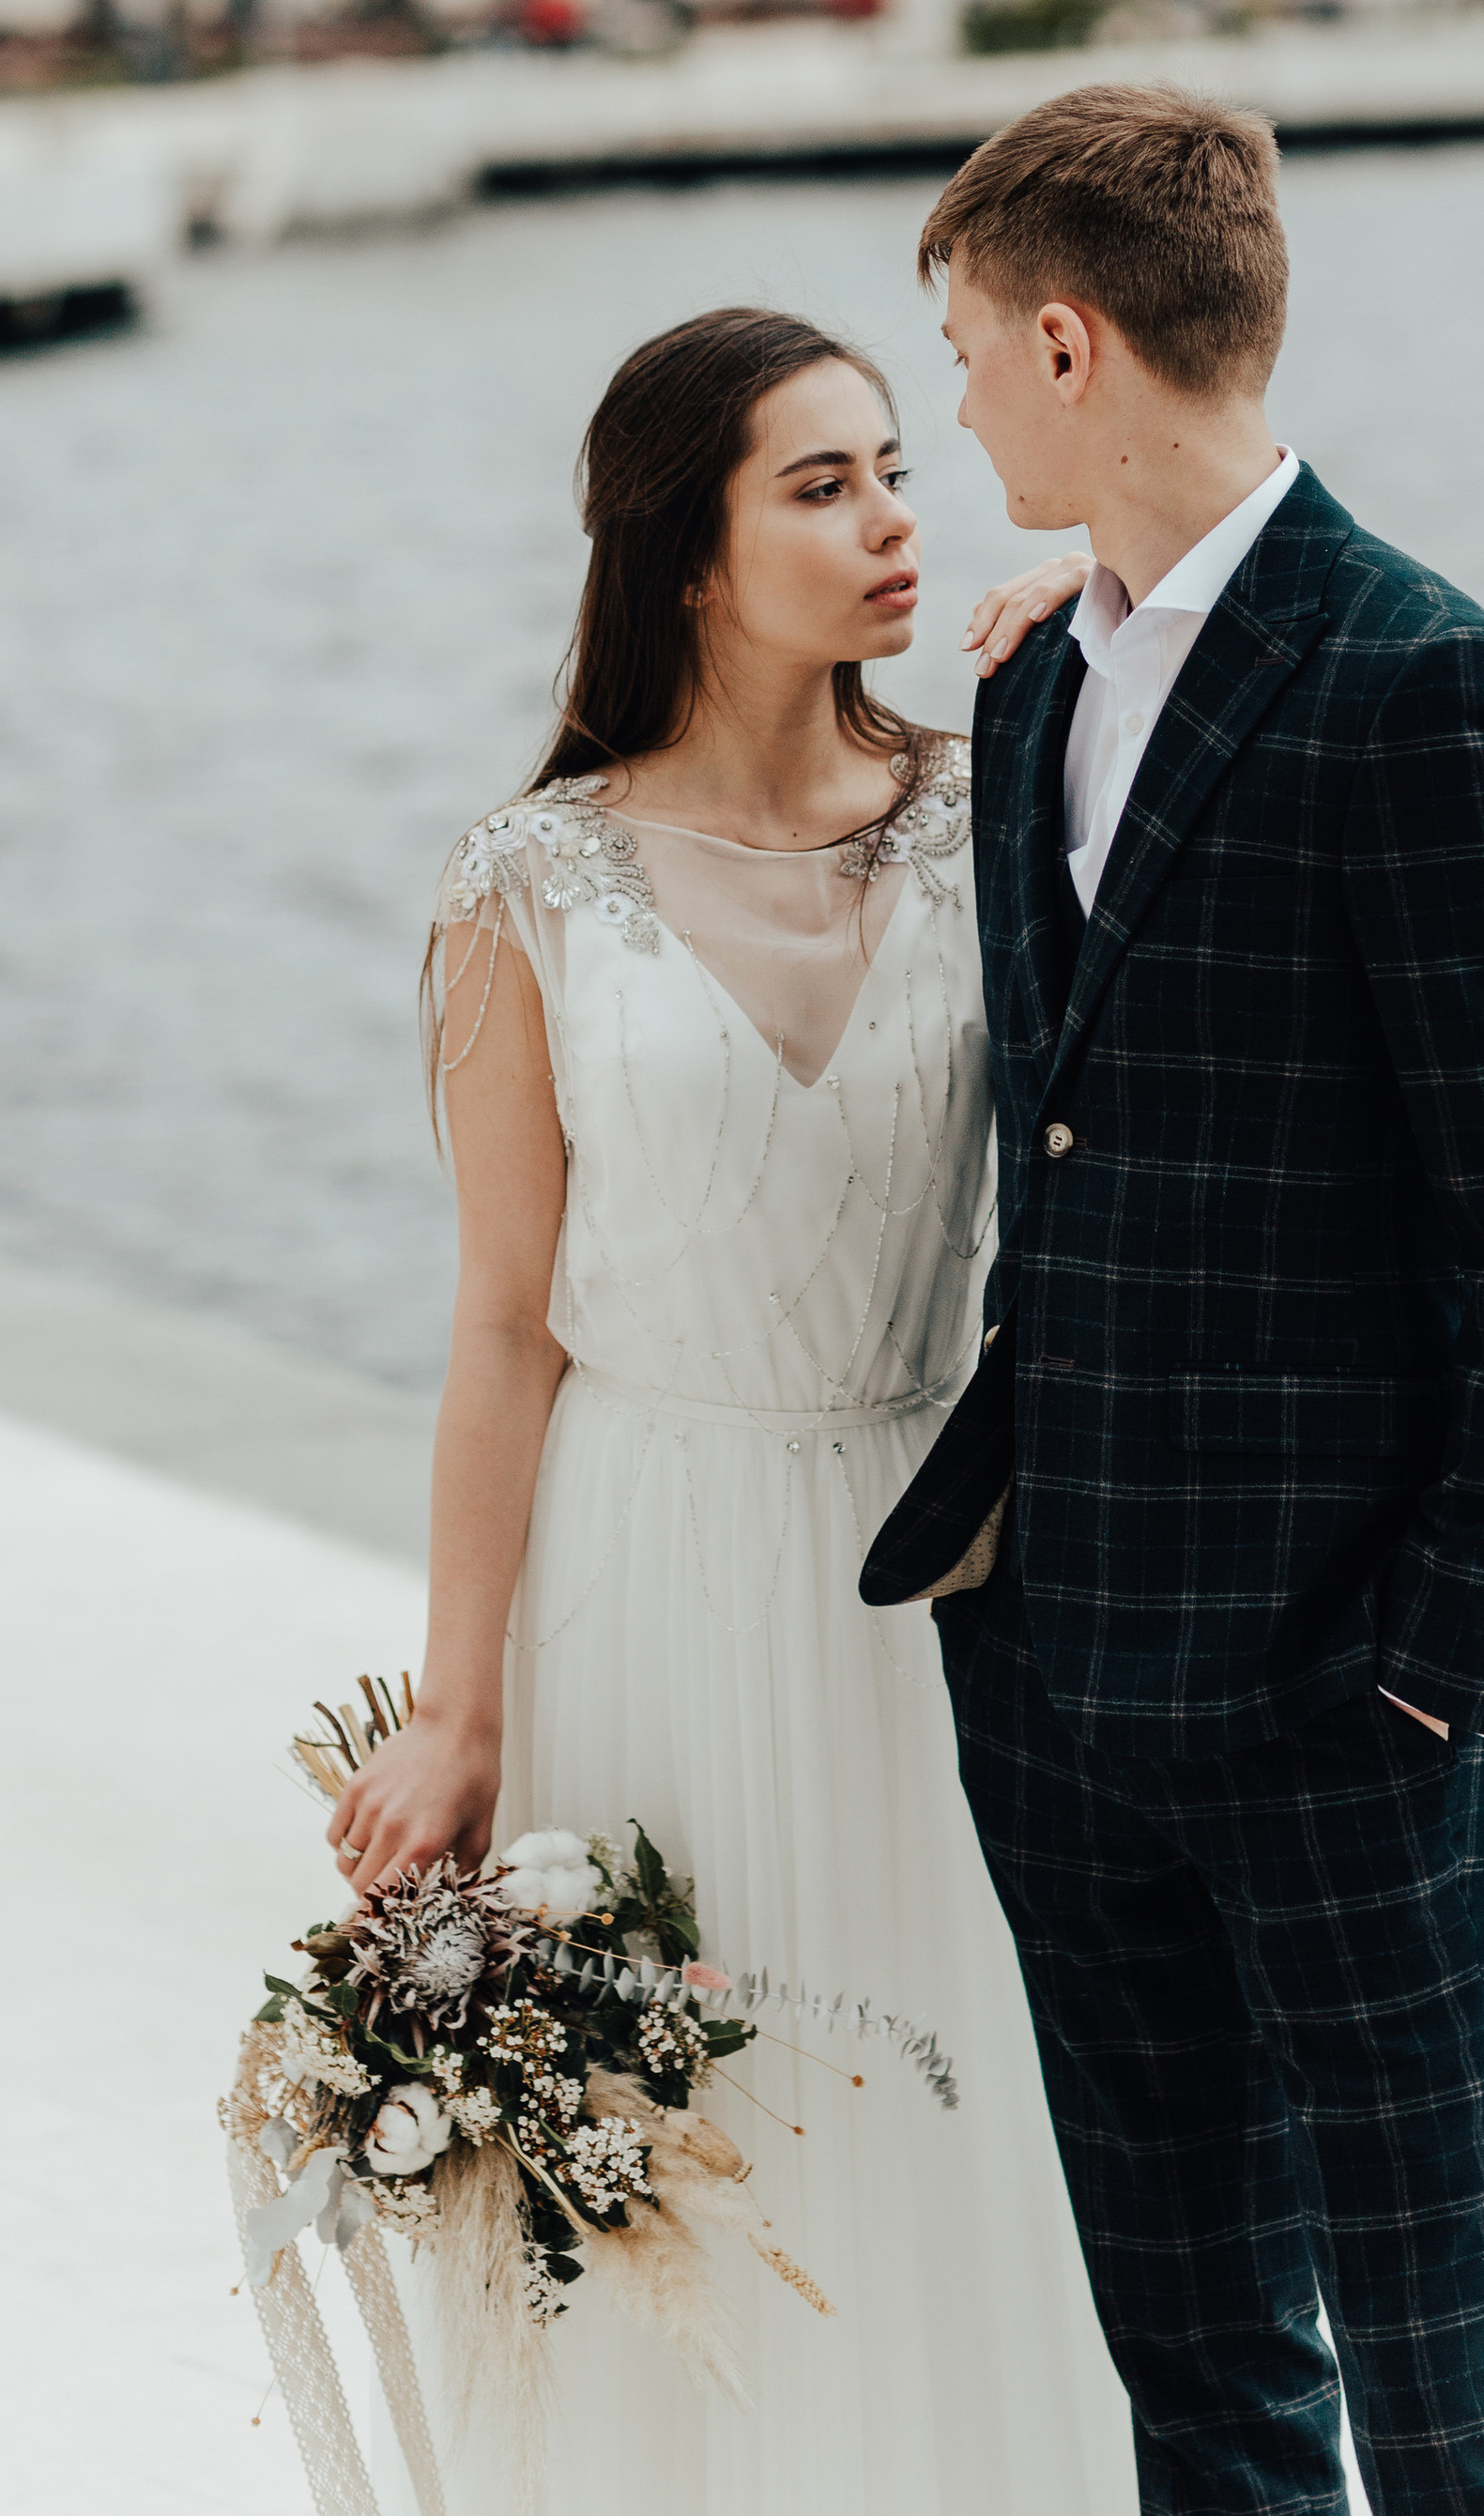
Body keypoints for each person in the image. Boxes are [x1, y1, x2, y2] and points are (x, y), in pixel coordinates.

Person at [864, 84, 1484, 2516]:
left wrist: (1438, 1668)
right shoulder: (1030, 693)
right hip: (1064, 1682)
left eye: (975, 350)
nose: (960, 406)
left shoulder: (1426, 684)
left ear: (1076, 342)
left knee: (1445, 2401)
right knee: (1202, 2386)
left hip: (1346, 1716)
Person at [328, 305, 1135, 2516]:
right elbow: (505, 1325)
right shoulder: (529, 885)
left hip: (939, 1564)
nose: (894, 520)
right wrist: (457, 1707)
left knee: (965, 2126)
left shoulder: (997, 813)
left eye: (893, 467)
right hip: (646, 1568)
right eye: (821, 485)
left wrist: (1116, 624)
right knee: (690, 2151)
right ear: (683, 550)